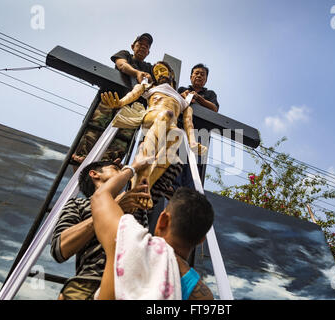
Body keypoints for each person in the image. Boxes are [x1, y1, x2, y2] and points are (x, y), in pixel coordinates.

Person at [90, 147, 215, 300]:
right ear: (201, 239)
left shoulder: (129, 239)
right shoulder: (202, 295)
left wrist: (134, 167)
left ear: (162, 220)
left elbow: (100, 197)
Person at [101, 61, 207, 210]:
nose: (159, 74)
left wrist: (193, 142)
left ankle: (146, 185)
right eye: (156, 72)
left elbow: (188, 122)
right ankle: (143, 178)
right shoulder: (150, 87)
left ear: (171, 74)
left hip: (169, 127)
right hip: (152, 118)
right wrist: (119, 103)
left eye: (162, 70)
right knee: (167, 115)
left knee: (178, 134)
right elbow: (133, 94)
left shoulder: (183, 100)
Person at [50, 160, 151, 300]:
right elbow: (60, 250)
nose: (123, 172)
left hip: (128, 290)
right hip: (88, 285)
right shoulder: (79, 204)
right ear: (94, 174)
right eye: (116, 168)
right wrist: (112, 207)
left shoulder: (136, 208)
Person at [71, 33, 154, 167]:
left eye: (146, 46)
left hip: (131, 110)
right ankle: (82, 158)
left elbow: (156, 82)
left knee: (122, 139)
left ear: (148, 52)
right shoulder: (125, 54)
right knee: (95, 128)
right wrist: (137, 73)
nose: (143, 48)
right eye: (140, 44)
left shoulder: (149, 68)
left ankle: (107, 163)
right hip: (109, 98)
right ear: (133, 46)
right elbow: (122, 65)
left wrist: (149, 78)